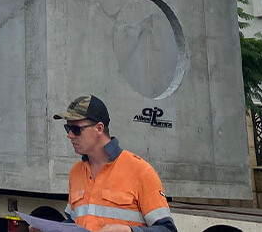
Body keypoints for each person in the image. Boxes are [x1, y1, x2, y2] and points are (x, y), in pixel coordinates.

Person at [30, 95, 177, 232]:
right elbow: (76, 224)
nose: (70, 135)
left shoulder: (141, 171)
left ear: (99, 128)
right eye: (67, 128)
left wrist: (129, 231)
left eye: (76, 129)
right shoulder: (76, 172)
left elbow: (168, 229)